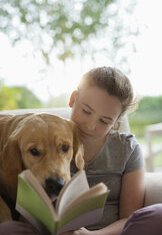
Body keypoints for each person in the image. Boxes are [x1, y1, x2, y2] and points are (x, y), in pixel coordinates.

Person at [0, 66, 162, 235]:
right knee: (8, 229)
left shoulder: (127, 149)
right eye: (86, 111)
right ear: (73, 99)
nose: (90, 126)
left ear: (115, 122)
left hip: (110, 233)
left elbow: (130, 218)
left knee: (158, 214)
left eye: (104, 121)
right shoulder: (42, 137)